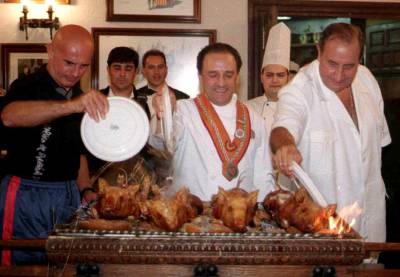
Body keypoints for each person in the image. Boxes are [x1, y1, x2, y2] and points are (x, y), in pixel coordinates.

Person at [270, 22, 391, 242]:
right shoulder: (300, 90)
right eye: (332, 64)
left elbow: (378, 145)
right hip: (322, 226)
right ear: (318, 52)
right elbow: (282, 127)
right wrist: (285, 146)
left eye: (349, 66)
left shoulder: (367, 80)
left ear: (359, 59)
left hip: (371, 220)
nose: (339, 75)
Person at [0, 25, 108, 265]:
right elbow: (9, 116)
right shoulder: (27, 85)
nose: (75, 72)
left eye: (83, 66)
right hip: (26, 194)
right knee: (22, 268)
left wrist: (86, 190)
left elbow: (77, 152)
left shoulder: (77, 95)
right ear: (50, 51)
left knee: (64, 267)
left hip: (67, 194)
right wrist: (71, 106)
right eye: (69, 63)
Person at [151, 43, 275, 202]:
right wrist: (164, 113)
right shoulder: (182, 111)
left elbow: (263, 178)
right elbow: (160, 144)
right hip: (190, 218)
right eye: (213, 75)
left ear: (237, 77)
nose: (221, 83)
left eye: (228, 75)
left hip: (240, 219)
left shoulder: (254, 119)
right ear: (200, 77)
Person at [246, 22, 291, 131]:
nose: (275, 80)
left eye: (280, 75)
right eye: (269, 75)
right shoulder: (246, 109)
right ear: (261, 77)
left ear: (288, 78)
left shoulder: (298, 109)